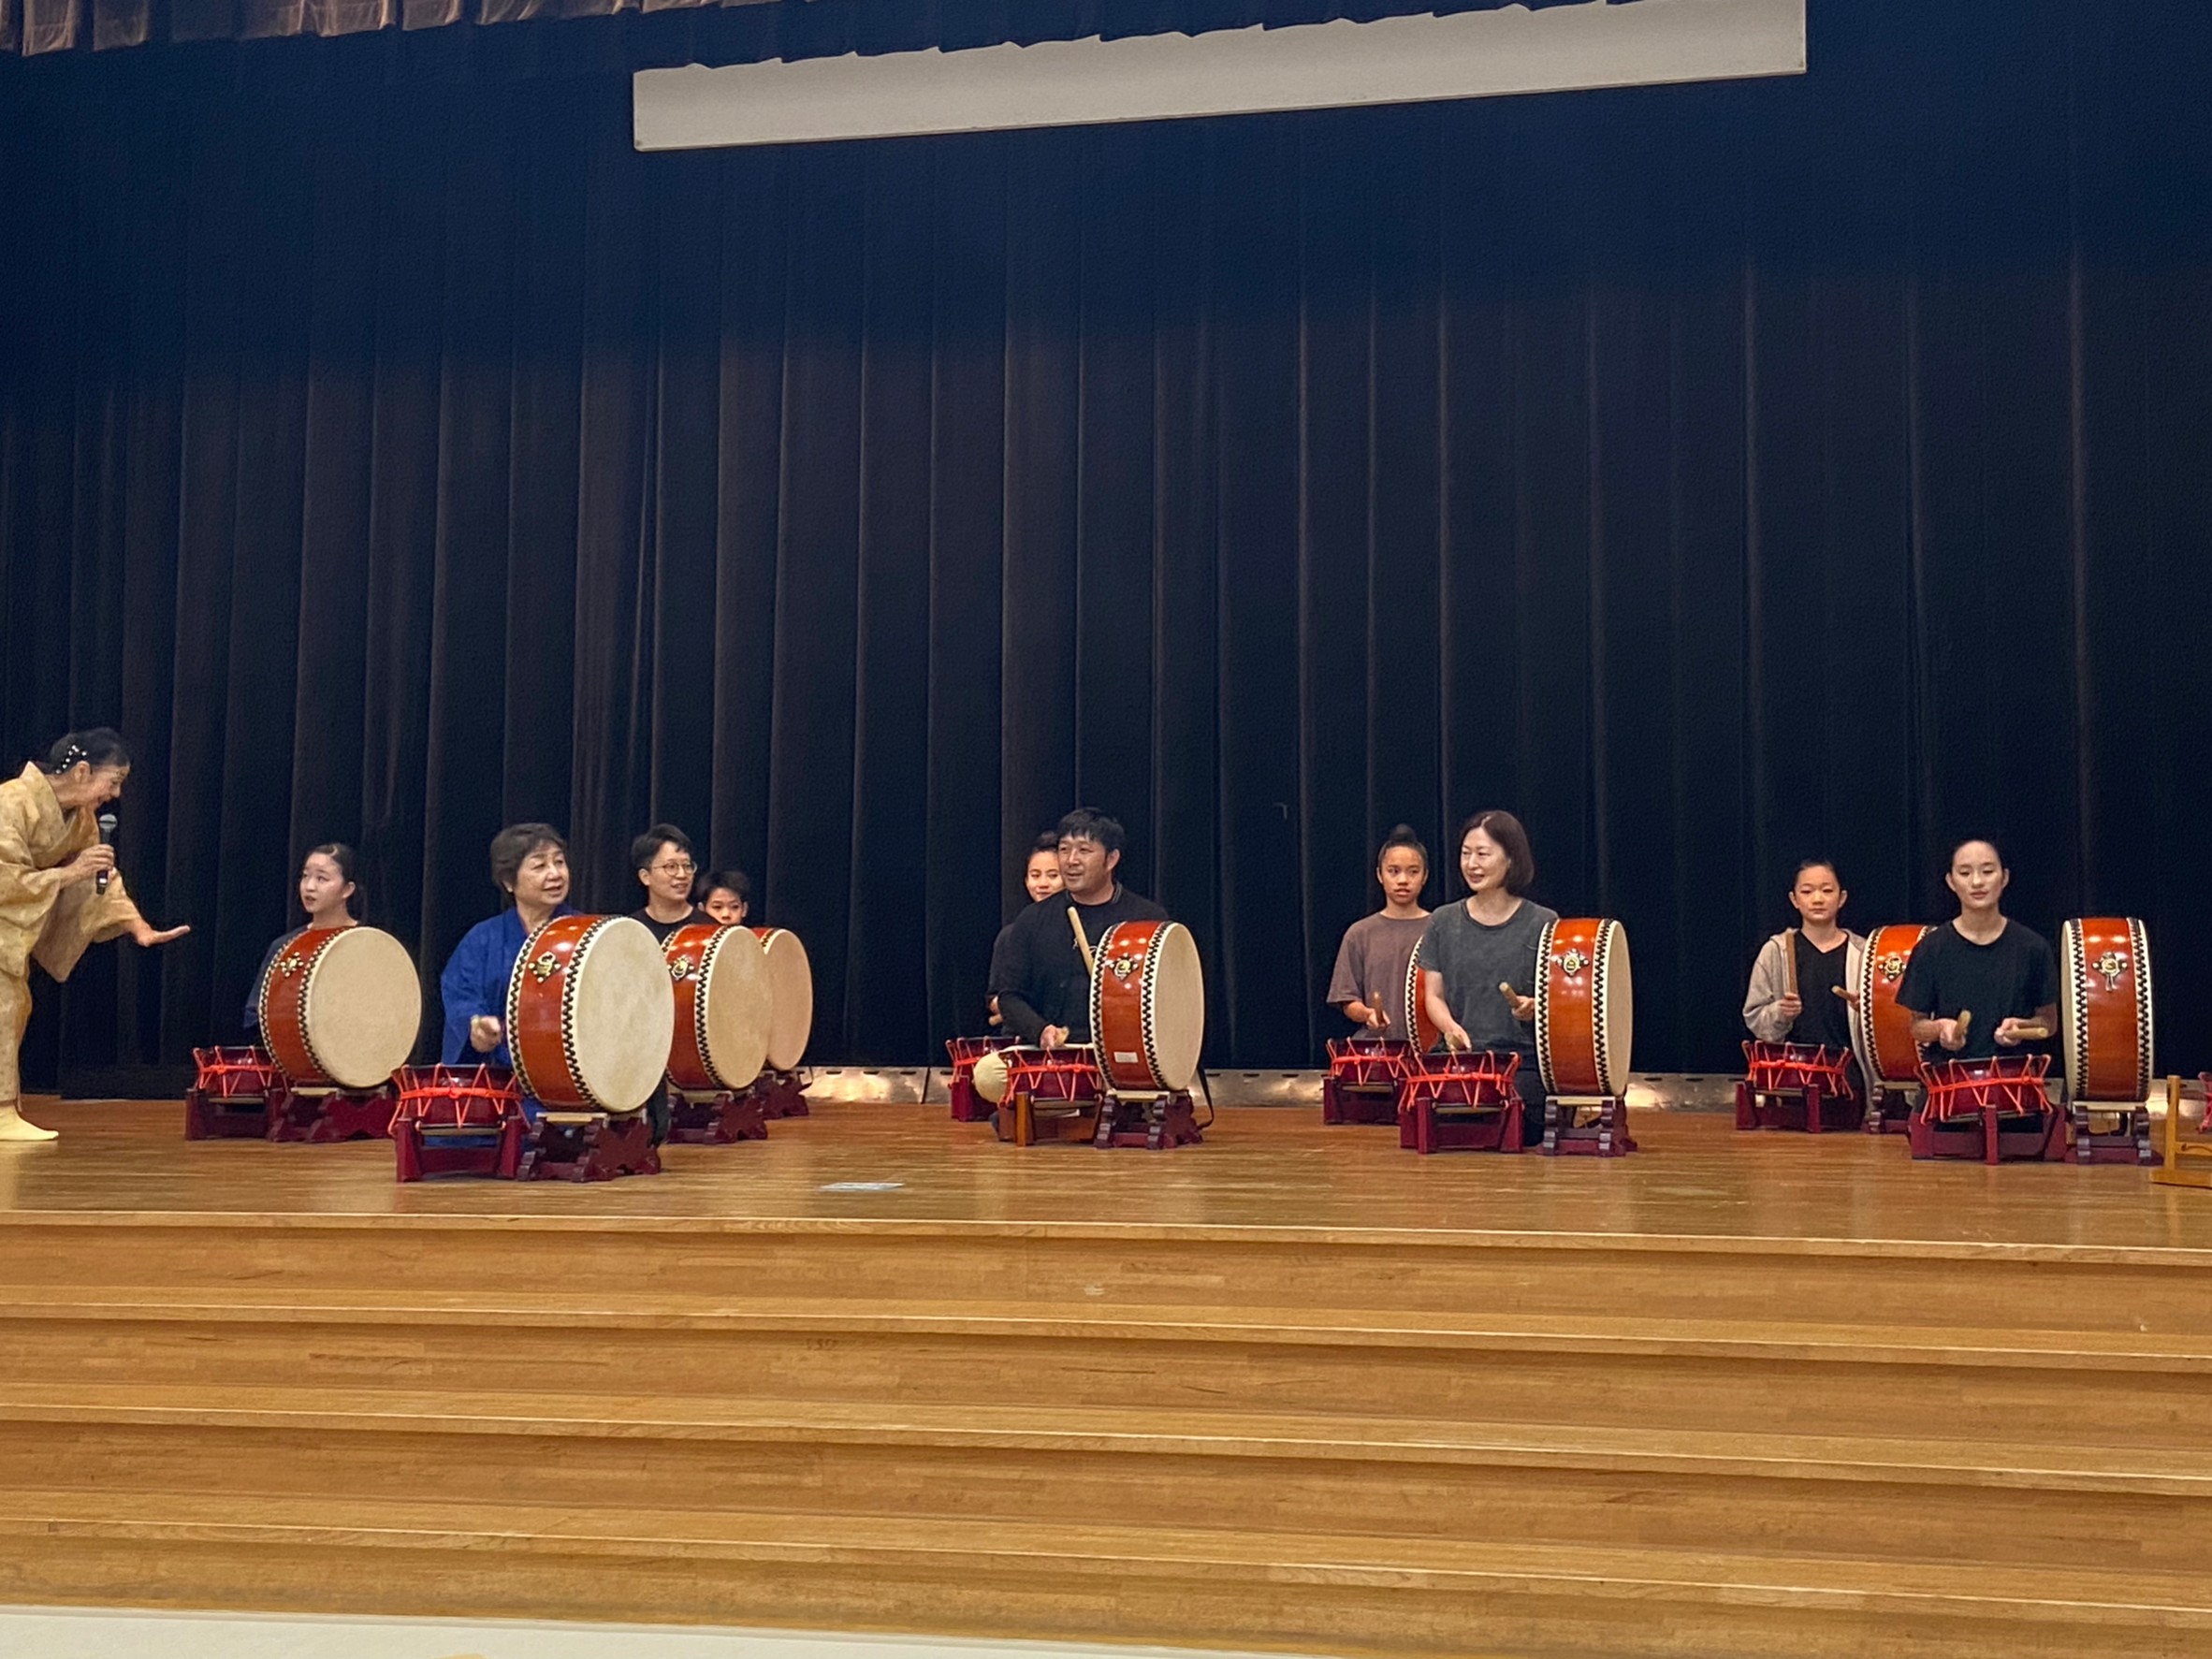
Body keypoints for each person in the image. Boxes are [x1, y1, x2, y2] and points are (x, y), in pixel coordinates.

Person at [0, 729, 190, 1141]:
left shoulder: (81, 818)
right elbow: (6, 878)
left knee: (14, 1006)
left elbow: (99, 878)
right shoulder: (10, 802)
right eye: (114, 781)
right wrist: (69, 873)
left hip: (11, 929)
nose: (115, 794)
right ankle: (1, 1112)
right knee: (5, 1005)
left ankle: (5, 1108)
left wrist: (138, 928)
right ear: (83, 771)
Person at [1418, 810, 1553, 1125]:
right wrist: (1450, 1028)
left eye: (1482, 854)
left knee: (1515, 1120)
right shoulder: (1442, 920)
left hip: (1519, 1061)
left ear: (1511, 859)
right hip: (1459, 1058)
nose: (1471, 864)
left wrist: (1536, 1006)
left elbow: (1554, 1001)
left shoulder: (1543, 922)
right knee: (1431, 1114)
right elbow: (1433, 996)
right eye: (1466, 854)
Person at [989, 808, 1167, 1048]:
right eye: (1064, 849)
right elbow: (1009, 996)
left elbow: (1167, 998)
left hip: (1123, 1054)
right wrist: (1040, 1030)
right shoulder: (1032, 919)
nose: (1071, 860)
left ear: (1111, 859)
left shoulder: (1146, 920)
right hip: (1049, 1055)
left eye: (1084, 850)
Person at [1895, 838, 2059, 1065]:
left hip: (2015, 1075)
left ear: (2005, 877)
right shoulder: (1931, 948)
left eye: (1988, 871)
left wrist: (2022, 1027)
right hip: (1951, 1076)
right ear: (1951, 882)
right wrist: (1941, 1028)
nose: (1977, 882)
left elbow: (2049, 1023)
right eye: (1965, 873)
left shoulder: (2033, 947)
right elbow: (1917, 1026)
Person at [438, 823, 576, 1073]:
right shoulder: (482, 939)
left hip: (571, 1077)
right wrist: (477, 1026)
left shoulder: (586, 933)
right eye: (540, 866)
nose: (555, 874)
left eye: (559, 862)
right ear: (509, 882)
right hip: (501, 1080)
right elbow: (462, 997)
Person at [1742, 859, 1864, 1054]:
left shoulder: (1863, 953)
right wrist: (1780, 1013)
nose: (1817, 899)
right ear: (1794, 900)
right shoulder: (1776, 951)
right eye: (1807, 892)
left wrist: (1867, 1011)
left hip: (1852, 1066)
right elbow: (1755, 1017)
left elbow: (1889, 1022)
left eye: (1827, 891)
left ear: (1842, 898)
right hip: (1793, 1066)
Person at [1326, 825, 1432, 1041]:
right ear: (1379, 875)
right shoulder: (1359, 933)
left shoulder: (1439, 928)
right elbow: (1347, 999)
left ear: (1425, 876)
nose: (1403, 880)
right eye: (1393, 871)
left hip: (1431, 1050)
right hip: (1376, 1048)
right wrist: (1367, 1014)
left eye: (1413, 871)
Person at [242, 843, 360, 1036]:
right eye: (305, 876)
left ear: (347, 889)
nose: (309, 886)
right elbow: (254, 1014)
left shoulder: (366, 943)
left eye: (322, 878)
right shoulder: (284, 946)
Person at [986, 833, 1065, 1028]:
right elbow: (994, 998)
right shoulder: (1011, 935)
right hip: (1022, 1036)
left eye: (1053, 876)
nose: (1042, 884)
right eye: (1035, 875)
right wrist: (1016, 1008)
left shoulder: (1080, 932)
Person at [629, 824, 708, 944]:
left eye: (687, 866)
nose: (682, 874)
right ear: (645, 877)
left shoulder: (708, 929)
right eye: (671, 866)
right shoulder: (630, 930)